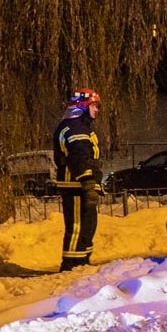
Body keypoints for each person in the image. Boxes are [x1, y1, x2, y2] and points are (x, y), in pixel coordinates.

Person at [52, 88, 103, 271]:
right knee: (77, 225)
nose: (97, 110)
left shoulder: (79, 126)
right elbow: (79, 157)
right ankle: (72, 264)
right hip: (75, 185)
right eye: (94, 106)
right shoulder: (75, 128)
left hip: (81, 184)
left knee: (88, 224)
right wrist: (88, 180)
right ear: (82, 106)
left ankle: (82, 260)